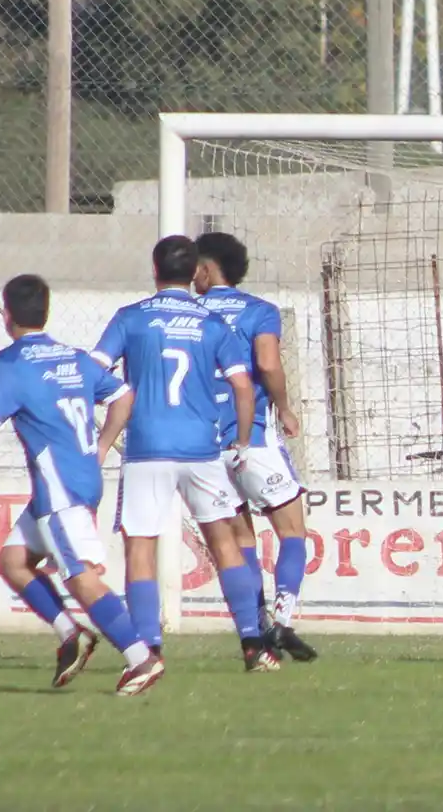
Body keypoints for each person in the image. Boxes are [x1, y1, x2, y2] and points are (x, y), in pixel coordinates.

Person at [0, 274, 162, 696]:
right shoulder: (76, 359)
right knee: (13, 561)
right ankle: (71, 635)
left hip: (59, 489)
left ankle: (141, 659)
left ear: (7, 316)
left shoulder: (10, 364)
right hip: (78, 479)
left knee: (79, 576)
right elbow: (123, 395)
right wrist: (101, 447)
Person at [91, 236, 278, 671]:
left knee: (141, 546)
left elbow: (95, 370)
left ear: (154, 269)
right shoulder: (213, 324)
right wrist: (243, 441)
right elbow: (243, 387)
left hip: (146, 450)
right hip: (202, 450)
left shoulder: (130, 319)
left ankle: (149, 650)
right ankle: (253, 643)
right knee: (224, 541)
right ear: (195, 273)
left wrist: (116, 401)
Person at [193, 232, 315, 662]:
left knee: (240, 538)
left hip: (202, 445)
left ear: (207, 270)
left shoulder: (187, 315)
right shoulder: (257, 311)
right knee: (293, 531)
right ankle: (281, 620)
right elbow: (266, 362)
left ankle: (257, 638)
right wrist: (284, 407)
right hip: (252, 437)